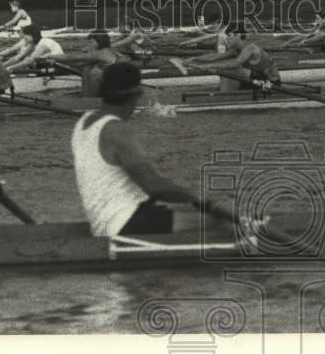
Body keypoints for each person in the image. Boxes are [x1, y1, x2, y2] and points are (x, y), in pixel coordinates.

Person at [71, 63, 223, 236]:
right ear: (136, 94)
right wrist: (200, 197)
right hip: (123, 224)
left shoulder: (83, 122)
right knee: (218, 222)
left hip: (103, 221)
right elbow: (153, 185)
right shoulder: (117, 130)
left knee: (189, 211)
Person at [185, 29, 281, 93]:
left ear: (238, 36)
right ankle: (227, 92)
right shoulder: (235, 50)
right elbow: (214, 56)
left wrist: (210, 66)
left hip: (270, 83)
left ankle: (226, 95)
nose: (227, 39)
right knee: (230, 71)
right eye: (227, 36)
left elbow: (235, 63)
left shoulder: (250, 48)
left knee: (232, 69)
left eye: (230, 36)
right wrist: (194, 59)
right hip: (256, 80)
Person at [46, 31, 124, 97]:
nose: (90, 44)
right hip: (114, 81)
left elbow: (72, 57)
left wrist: (50, 56)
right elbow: (79, 64)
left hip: (117, 84)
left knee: (95, 72)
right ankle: (86, 95)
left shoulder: (101, 53)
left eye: (92, 42)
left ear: (99, 42)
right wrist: (57, 61)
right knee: (87, 68)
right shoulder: (105, 52)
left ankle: (90, 99)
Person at [0, 25, 64, 73]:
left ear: (31, 35)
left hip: (59, 67)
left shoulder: (43, 44)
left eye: (25, 36)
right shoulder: (32, 44)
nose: (24, 38)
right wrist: (0, 66)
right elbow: (17, 58)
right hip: (46, 65)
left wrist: (10, 68)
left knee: (29, 61)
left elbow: (28, 61)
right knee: (26, 60)